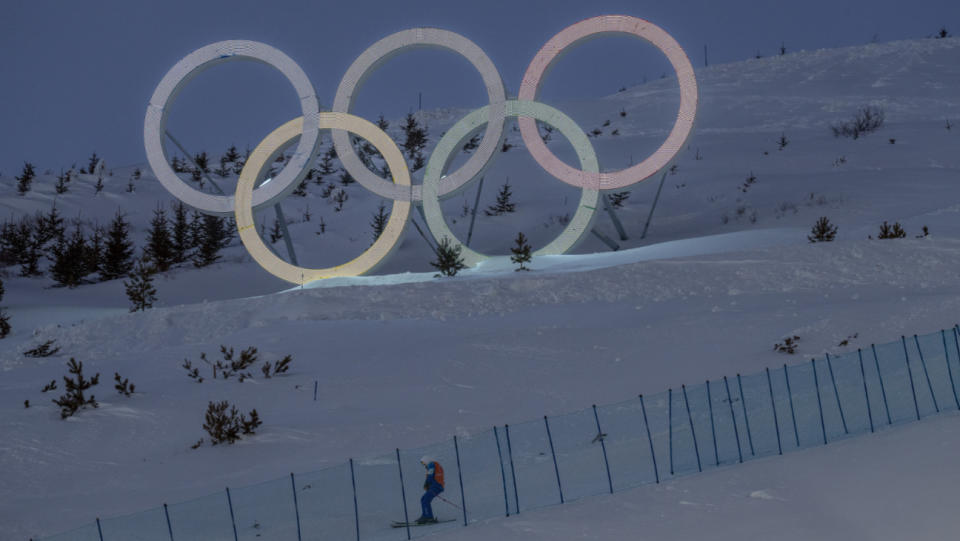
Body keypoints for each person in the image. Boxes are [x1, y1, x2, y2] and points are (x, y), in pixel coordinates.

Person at [415, 455, 444, 524]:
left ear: (426, 461)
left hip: (436, 486)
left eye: (423, 463)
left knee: (425, 500)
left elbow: (430, 475)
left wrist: (427, 483)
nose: (424, 465)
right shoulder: (436, 465)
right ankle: (425, 515)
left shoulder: (431, 464)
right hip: (436, 486)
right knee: (423, 499)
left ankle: (428, 517)